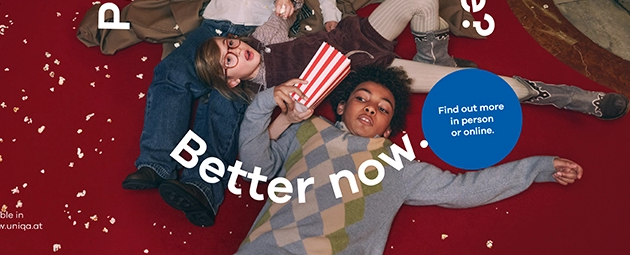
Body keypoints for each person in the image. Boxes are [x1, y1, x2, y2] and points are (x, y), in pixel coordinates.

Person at [122, 0, 342, 227]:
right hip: (211, 32)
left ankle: (202, 188)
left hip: (252, 40)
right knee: (171, 74)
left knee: (225, 102)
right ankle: (156, 162)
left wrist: (331, 16)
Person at [235, 65, 584, 254]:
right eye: (362, 98)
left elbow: (463, 190)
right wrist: (267, 103)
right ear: (341, 106)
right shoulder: (307, 130)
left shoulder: (396, 164)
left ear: (388, 131)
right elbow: (254, 166)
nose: (372, 106)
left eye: (383, 108)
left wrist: (538, 168)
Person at [195, 0, 630, 119]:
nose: (238, 48)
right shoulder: (267, 94)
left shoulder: (263, 36)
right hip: (376, 75)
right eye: (229, 57)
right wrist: (293, 111)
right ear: (231, 78)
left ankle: (434, 59)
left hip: (361, 34)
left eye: (230, 42)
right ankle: (575, 98)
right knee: (485, 87)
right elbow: (285, 122)